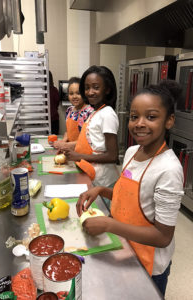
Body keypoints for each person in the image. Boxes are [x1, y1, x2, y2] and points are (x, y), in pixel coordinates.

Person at [76, 80, 184, 297]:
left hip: (148, 262)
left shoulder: (169, 169)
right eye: (134, 116)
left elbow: (162, 236)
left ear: (169, 120)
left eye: (151, 117)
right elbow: (129, 196)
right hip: (124, 247)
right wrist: (102, 191)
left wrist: (108, 224)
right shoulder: (132, 152)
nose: (140, 123)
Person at [63, 65, 120, 189]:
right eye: (87, 88)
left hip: (105, 182)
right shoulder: (96, 111)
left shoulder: (108, 114)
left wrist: (79, 156)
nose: (90, 92)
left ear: (107, 89)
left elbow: (112, 156)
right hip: (93, 175)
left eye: (96, 87)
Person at [53, 77, 94, 151]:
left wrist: (65, 145)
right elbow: (68, 132)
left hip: (83, 151)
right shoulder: (69, 110)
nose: (74, 96)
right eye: (71, 93)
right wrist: (63, 141)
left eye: (78, 93)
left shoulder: (89, 112)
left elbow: (89, 139)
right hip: (71, 150)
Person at [49, 71, 60, 135]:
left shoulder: (41, 92)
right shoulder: (54, 90)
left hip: (45, 121)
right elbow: (57, 103)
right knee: (55, 139)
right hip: (54, 119)